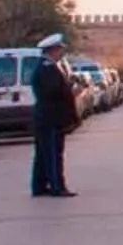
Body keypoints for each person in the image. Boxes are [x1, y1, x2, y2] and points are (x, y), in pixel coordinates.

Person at [29, 34, 80, 198]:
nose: (61, 53)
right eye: (59, 50)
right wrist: (69, 90)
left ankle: (40, 185)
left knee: (43, 153)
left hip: (46, 117)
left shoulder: (46, 66)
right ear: (52, 50)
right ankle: (57, 186)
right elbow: (52, 92)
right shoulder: (47, 68)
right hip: (51, 117)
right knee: (52, 153)